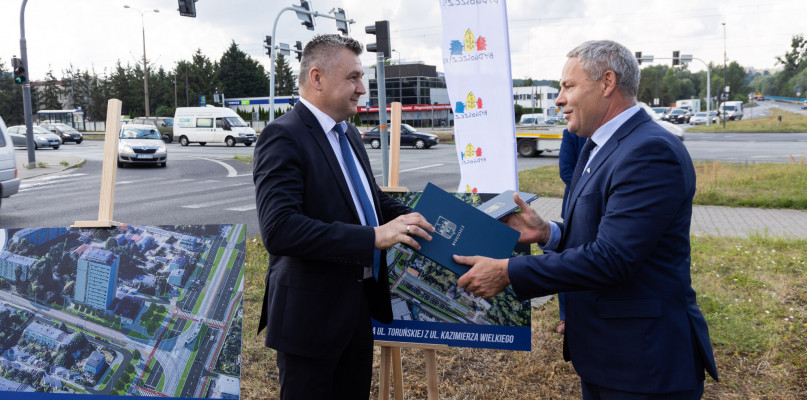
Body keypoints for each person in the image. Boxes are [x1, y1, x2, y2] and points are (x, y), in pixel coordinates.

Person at [454, 40, 718, 398]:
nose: (559, 99)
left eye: (568, 86)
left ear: (607, 83)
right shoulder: (601, 145)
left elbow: (613, 259)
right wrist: (549, 233)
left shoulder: (649, 151)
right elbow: (603, 234)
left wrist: (507, 272)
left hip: (644, 366)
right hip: (609, 356)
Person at [253, 34, 434, 399]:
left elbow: (370, 199)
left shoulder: (348, 132)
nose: (362, 89)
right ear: (317, 78)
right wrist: (373, 238)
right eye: (353, 78)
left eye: (361, 78)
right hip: (310, 320)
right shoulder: (282, 136)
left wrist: (419, 217)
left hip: (356, 309)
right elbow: (280, 229)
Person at [556, 128, 588, 334]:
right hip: (577, 208)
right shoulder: (573, 132)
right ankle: (566, 317)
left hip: (610, 207)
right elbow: (566, 171)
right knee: (569, 260)